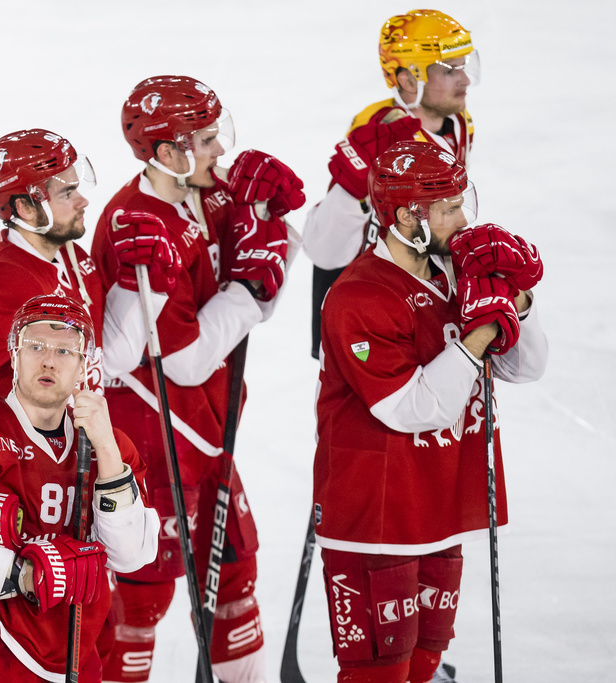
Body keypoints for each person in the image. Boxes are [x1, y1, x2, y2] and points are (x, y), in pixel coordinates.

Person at [90, 75, 305, 682]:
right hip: (152, 441)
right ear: (165, 153)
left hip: (210, 431)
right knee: (139, 599)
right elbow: (181, 359)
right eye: (206, 139)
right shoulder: (133, 221)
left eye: (218, 134)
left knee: (234, 578)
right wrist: (249, 287)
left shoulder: (210, 198)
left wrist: (272, 232)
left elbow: (252, 300)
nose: (221, 151)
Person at [312, 141, 547, 682]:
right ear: (405, 217)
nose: (464, 220)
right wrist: (482, 330)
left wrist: (520, 302)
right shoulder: (358, 296)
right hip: (375, 519)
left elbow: (523, 368)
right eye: (447, 209)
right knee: (380, 675)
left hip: (438, 508)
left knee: (423, 666)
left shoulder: (451, 277)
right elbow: (414, 406)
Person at [0, 295, 160, 682]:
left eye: (65, 351)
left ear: (84, 366)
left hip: (74, 651)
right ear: (14, 356)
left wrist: (106, 451)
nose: (49, 360)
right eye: (35, 346)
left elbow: (133, 554)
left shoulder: (112, 447)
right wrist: (24, 574)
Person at [303, 9, 479, 358]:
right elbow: (326, 246)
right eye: (448, 69)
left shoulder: (460, 123)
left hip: (422, 288)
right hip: (366, 299)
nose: (465, 80)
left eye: (464, 66)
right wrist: (354, 189)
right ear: (408, 79)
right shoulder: (378, 129)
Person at [0, 128, 178, 397]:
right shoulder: (3, 277)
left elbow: (108, 359)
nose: (83, 201)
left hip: (80, 434)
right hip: (35, 439)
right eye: (67, 194)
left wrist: (144, 287)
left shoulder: (73, 256)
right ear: (26, 208)